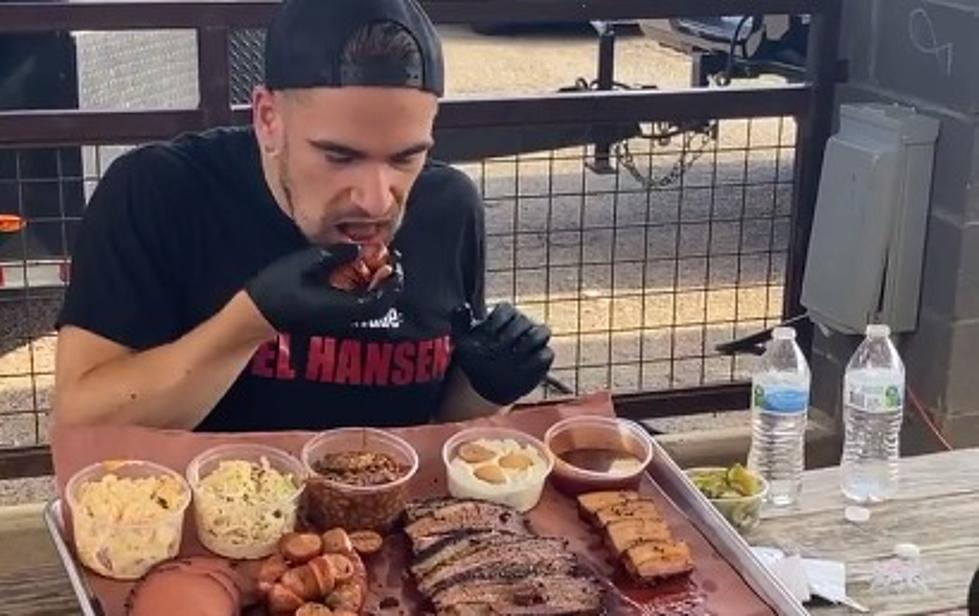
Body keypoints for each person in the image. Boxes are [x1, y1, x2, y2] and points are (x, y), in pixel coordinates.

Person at [52, 0, 554, 431]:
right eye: (339, 156)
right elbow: (81, 425)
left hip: (385, 529)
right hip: (204, 534)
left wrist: (489, 388)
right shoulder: (160, 193)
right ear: (269, 120)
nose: (377, 200)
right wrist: (251, 321)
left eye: (405, 157)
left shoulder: (450, 207)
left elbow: (439, 430)